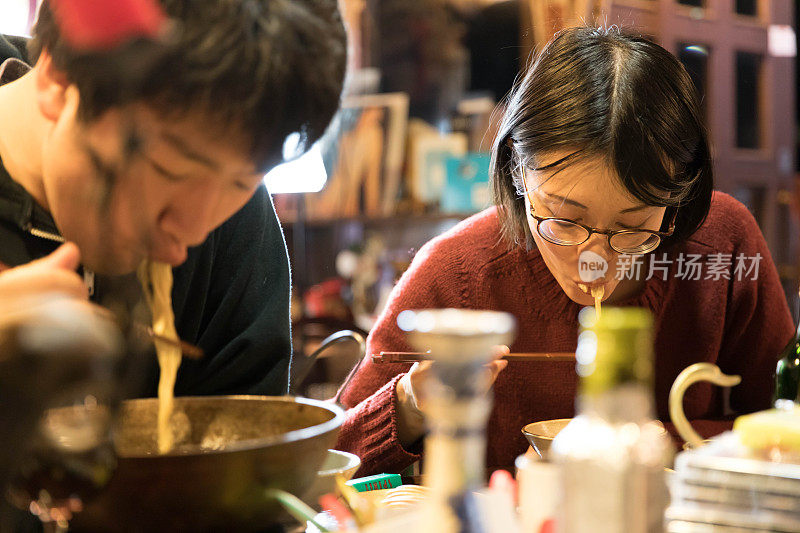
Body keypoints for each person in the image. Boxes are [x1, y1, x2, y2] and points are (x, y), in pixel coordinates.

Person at [334, 26, 794, 475]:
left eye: (632, 227)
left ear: (679, 198)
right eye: (564, 220)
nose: (594, 257)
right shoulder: (456, 272)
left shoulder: (721, 245)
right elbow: (330, 456)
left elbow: (787, 423)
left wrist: (658, 444)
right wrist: (411, 405)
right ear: (518, 170)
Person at [0, 0, 346, 397]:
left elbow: (246, 448)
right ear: (59, 78)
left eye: (241, 182)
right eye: (171, 171)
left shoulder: (238, 226)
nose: (191, 236)